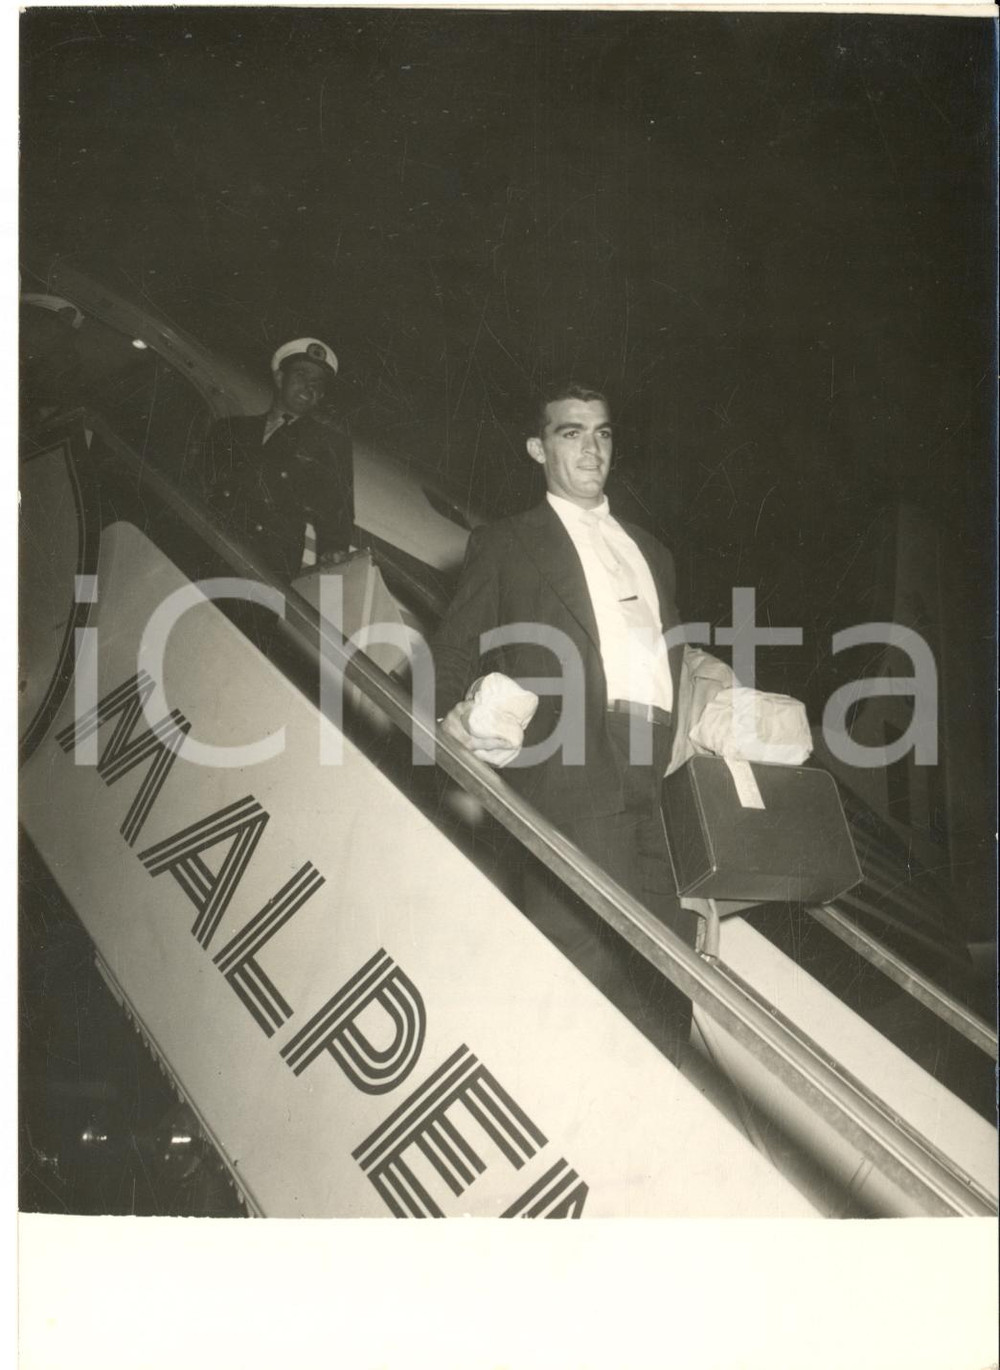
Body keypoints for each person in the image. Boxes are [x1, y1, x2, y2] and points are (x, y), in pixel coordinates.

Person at [432, 381, 702, 1063]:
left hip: (655, 770)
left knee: (670, 967)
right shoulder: (505, 542)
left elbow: (659, 658)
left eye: (603, 432)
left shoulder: (654, 553)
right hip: (571, 764)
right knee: (585, 961)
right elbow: (452, 651)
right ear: (537, 446)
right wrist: (453, 727)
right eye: (571, 432)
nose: (592, 447)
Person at [200, 337, 354, 581]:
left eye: (317, 382)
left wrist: (333, 554)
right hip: (204, 553)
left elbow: (337, 518)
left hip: (263, 572)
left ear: (321, 395)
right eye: (301, 375)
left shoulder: (328, 446)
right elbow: (197, 484)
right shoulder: (230, 429)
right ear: (280, 378)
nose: (308, 386)